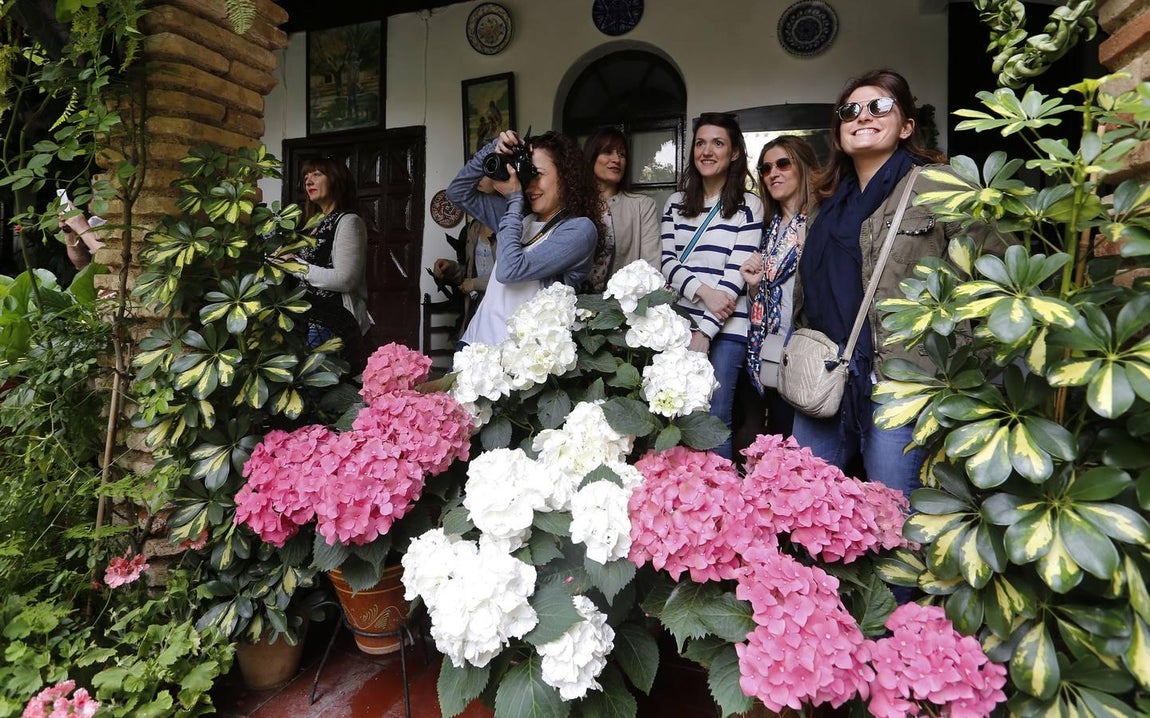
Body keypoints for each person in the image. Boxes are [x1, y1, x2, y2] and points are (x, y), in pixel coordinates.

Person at [790, 68, 1002, 498]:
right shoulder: (824, 204)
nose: (862, 116)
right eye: (850, 111)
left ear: (906, 125)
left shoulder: (940, 186)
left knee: (892, 517)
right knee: (806, 508)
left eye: (879, 106)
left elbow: (995, 279)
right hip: (827, 377)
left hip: (902, 380)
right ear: (838, 133)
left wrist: (962, 371)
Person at [661, 112, 763, 460]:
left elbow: (737, 274)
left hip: (728, 326)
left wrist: (704, 333)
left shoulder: (750, 206)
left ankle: (719, 505)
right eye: (701, 143)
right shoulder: (675, 204)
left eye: (718, 143)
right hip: (679, 325)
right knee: (679, 414)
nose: (707, 151)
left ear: (734, 153)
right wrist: (704, 293)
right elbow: (668, 263)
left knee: (714, 418)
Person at [447, 129, 602, 347]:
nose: (530, 184)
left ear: (566, 175)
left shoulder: (579, 230)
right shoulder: (519, 216)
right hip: (474, 344)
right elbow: (458, 192)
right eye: (527, 174)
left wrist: (513, 200)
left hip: (516, 361)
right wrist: (495, 148)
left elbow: (509, 270)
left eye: (537, 174)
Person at [738, 135, 819, 440]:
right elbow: (767, 291)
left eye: (783, 163)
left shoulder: (819, 220)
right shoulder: (768, 228)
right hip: (770, 349)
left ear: (803, 167)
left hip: (805, 348)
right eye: (765, 168)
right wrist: (755, 286)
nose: (773, 173)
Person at [295, 155, 373, 374]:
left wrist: (296, 266)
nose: (308, 181)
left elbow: (346, 279)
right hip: (305, 321)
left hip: (335, 325)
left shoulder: (348, 222)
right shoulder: (312, 225)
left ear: (336, 179)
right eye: (306, 177)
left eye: (317, 174)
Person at [581, 126, 660, 292]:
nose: (616, 159)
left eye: (621, 154)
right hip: (572, 304)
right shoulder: (575, 205)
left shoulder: (642, 206)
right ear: (592, 156)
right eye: (608, 152)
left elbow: (651, 266)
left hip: (621, 309)